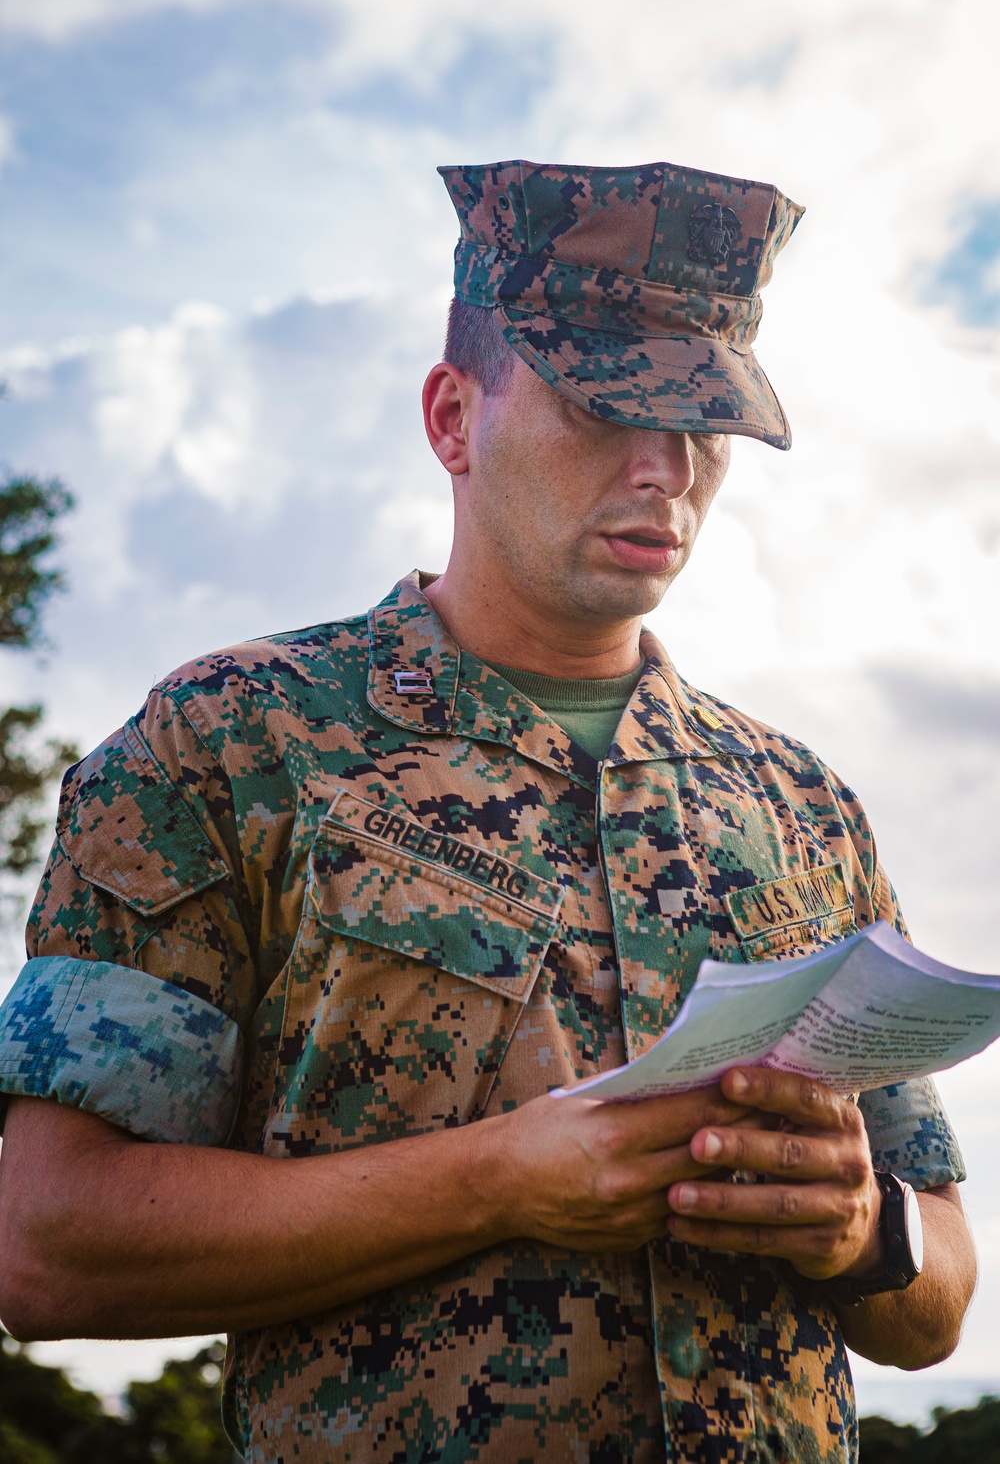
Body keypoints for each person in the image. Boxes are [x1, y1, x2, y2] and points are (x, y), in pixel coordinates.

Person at [0, 159, 976, 1464]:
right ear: (454, 417)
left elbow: (942, 1304)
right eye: (603, 408)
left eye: (703, 425)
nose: (664, 469)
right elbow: (47, 1245)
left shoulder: (799, 806)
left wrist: (865, 1229)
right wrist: (496, 1180)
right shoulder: (234, 743)